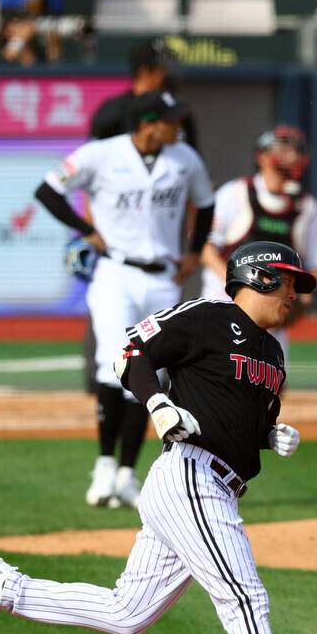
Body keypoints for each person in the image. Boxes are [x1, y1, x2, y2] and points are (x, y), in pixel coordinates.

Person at [0, 240, 317, 634]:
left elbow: (238, 416)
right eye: (290, 282)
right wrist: (158, 402)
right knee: (242, 596)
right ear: (259, 278)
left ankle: (10, 588)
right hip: (191, 477)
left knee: (128, 613)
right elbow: (130, 352)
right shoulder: (208, 316)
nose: (295, 294)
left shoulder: (272, 352)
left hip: (214, 487)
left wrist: (270, 434)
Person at [34, 90, 214, 509]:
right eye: (170, 120)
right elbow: (48, 190)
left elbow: (205, 205)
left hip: (164, 277)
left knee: (151, 370)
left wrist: (194, 252)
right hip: (115, 272)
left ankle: (127, 473)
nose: (178, 126)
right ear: (148, 123)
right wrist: (86, 230)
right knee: (112, 361)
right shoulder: (101, 154)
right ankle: (103, 466)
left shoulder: (184, 158)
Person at [82, 37, 199, 395]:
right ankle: (102, 387)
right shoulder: (111, 114)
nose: (171, 71)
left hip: (159, 239)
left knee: (157, 335)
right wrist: (91, 229)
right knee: (110, 319)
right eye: (164, 65)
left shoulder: (178, 114)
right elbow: (89, 178)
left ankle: (149, 396)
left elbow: (190, 184)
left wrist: (191, 246)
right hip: (117, 238)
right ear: (148, 71)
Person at [201, 124, 317, 357]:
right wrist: (238, 286)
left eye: (295, 150)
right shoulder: (236, 192)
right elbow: (206, 248)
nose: (290, 156)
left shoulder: (306, 207)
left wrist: (300, 305)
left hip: (272, 315)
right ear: (261, 156)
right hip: (223, 305)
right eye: (282, 149)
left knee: (268, 377)